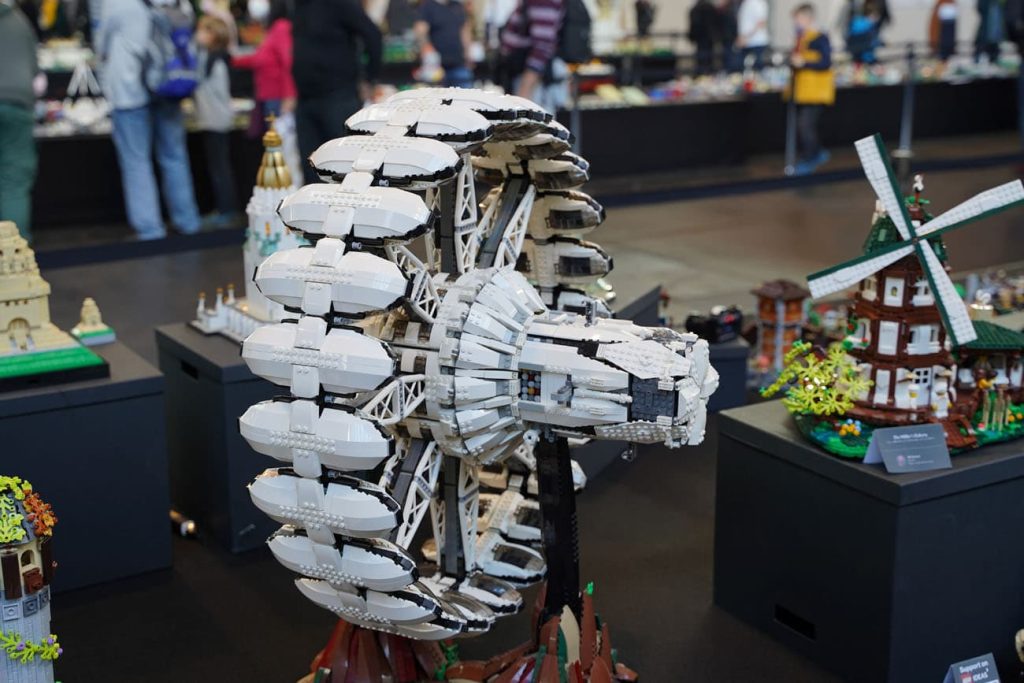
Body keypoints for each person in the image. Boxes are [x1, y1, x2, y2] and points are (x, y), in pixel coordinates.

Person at [97, 0, 201, 240]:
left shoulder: (117, 4)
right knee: (175, 157)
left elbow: (102, 43)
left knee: (136, 162)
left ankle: (150, 231)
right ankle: (188, 222)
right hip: (170, 87)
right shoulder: (178, 3)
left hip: (129, 92)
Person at [292, 0, 382, 184]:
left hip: (338, 97)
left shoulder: (340, 3)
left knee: (343, 168)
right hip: (305, 99)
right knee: (310, 170)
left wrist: (370, 79)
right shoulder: (298, 5)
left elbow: (372, 34)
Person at [0, 0, 42, 241]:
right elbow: (35, 69)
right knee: (14, 182)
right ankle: (15, 250)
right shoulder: (19, 21)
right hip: (18, 104)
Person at [195, 15, 239, 228]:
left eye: (203, 30)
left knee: (219, 168)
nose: (197, 34)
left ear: (213, 35)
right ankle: (223, 208)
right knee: (217, 167)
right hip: (212, 119)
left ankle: (226, 210)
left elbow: (213, 92)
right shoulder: (211, 57)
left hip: (215, 121)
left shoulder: (214, 61)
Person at [232, 0, 296, 135]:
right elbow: (261, 58)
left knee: (278, 141)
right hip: (268, 96)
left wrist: (289, 95)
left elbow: (288, 62)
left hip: (277, 97)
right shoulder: (272, 29)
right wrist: (233, 59)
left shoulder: (281, 27)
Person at [788, 2, 834, 175]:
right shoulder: (801, 38)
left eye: (798, 19)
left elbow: (826, 62)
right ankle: (816, 153)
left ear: (808, 18)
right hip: (803, 90)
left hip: (816, 91)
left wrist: (804, 62)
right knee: (804, 125)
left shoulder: (820, 38)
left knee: (806, 125)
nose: (796, 23)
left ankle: (812, 157)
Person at [498, 0, 567, 109]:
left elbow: (542, 46)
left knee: (529, 118)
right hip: (526, 76)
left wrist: (523, 92)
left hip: (530, 80)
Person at [415, 0, 474, 89]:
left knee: (465, 95)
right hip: (437, 65)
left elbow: (464, 31)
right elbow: (420, 31)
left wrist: (468, 53)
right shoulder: (428, 6)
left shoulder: (457, 6)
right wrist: (427, 48)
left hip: (458, 63)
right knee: (437, 96)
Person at [735, 0, 768, 69]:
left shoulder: (757, 3)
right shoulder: (745, 3)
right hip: (746, 43)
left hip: (756, 42)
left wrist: (745, 37)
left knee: (756, 69)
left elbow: (761, 22)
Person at [689, 0, 718, 74]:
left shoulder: (696, 8)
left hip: (700, 38)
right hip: (709, 38)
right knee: (709, 59)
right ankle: (708, 74)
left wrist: (691, 37)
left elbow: (694, 24)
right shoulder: (711, 7)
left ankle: (702, 74)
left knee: (701, 59)